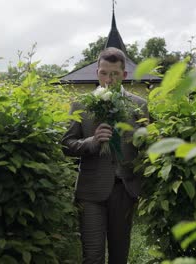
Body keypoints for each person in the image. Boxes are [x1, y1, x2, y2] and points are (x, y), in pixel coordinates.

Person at [61, 47, 148, 264]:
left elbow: (148, 148)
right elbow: (66, 145)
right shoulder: (81, 105)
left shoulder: (139, 105)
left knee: (119, 256)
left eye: (114, 74)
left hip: (124, 189)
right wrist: (91, 142)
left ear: (124, 75)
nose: (108, 79)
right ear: (97, 72)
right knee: (93, 256)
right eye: (104, 73)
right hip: (91, 190)